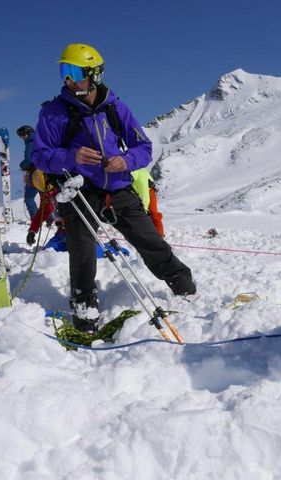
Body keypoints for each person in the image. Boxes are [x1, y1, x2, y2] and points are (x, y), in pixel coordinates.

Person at [31, 43, 196, 332]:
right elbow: (40, 156)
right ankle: (84, 305)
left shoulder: (115, 108)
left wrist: (126, 161)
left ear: (94, 74)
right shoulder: (53, 112)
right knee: (81, 249)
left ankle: (183, 284)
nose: (68, 79)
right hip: (79, 190)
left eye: (75, 72)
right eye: (64, 71)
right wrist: (71, 157)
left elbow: (143, 147)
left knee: (149, 240)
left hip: (118, 188)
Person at [17, 125, 39, 220]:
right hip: (44, 173)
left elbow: (29, 160)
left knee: (29, 197)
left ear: (28, 133)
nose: (22, 137)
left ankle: (35, 219)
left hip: (35, 174)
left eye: (22, 134)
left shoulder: (30, 142)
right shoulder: (39, 141)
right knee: (45, 198)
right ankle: (49, 218)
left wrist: (22, 165)